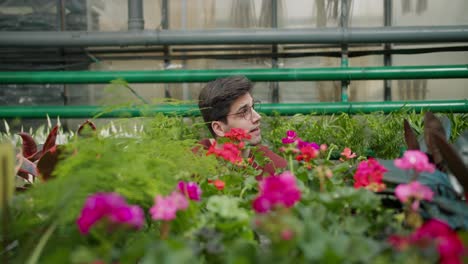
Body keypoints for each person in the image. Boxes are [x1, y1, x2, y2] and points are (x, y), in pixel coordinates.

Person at [197, 75, 287, 176]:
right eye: (243, 111)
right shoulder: (190, 164)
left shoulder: (276, 168)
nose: (257, 117)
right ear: (219, 128)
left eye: (253, 107)